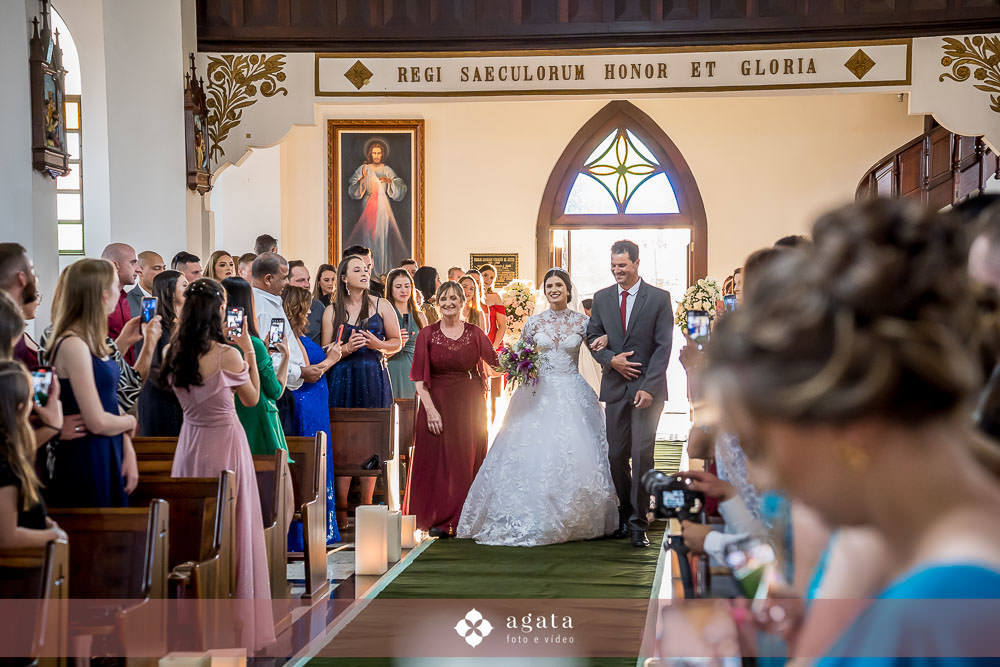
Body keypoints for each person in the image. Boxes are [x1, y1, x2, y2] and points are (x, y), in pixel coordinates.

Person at [707, 200, 1000, 664]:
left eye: (761, 446)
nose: (761, 479)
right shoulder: (916, 533)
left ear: (849, 426)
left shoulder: (950, 603)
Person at [458, 269, 617, 545]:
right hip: (537, 392)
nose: (554, 289)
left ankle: (574, 514)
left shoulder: (582, 322)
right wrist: (508, 362)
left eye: (558, 285)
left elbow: (597, 351)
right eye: (549, 286)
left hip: (572, 390)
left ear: (568, 289)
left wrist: (609, 346)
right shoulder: (534, 322)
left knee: (573, 451)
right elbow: (520, 351)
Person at [162, 278, 274, 651]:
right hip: (226, 445)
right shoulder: (228, 355)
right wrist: (250, 354)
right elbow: (253, 399)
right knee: (233, 529)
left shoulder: (171, 353)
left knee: (194, 530)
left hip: (190, 444)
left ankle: (191, 618)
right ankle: (234, 618)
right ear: (217, 312)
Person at [586, 239, 673, 548]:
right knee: (615, 454)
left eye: (622, 265)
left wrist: (649, 387)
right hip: (615, 387)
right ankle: (624, 513)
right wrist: (611, 359)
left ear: (636, 264)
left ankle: (638, 524)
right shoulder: (602, 298)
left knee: (642, 454)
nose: (617, 271)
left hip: (648, 390)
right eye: (613, 265)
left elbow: (664, 346)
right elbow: (592, 336)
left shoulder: (660, 298)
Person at [405, 281, 500, 536]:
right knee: (437, 462)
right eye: (444, 299)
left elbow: (497, 364)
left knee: (464, 460)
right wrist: (431, 411)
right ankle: (437, 518)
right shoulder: (427, 334)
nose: (448, 303)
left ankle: (463, 518)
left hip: (469, 405)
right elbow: (417, 379)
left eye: (454, 299)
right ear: (438, 303)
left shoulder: (475, 333)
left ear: (463, 302)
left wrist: (526, 359)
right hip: (435, 402)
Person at [46, 259, 139, 507]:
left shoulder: (93, 339)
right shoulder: (72, 344)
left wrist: (127, 447)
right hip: (87, 451)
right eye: (114, 286)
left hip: (109, 444)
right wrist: (130, 422)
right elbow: (96, 420)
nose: (119, 292)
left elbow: (109, 399)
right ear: (101, 294)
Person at [320, 255, 401, 525]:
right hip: (343, 378)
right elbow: (325, 351)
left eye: (366, 270)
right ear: (344, 278)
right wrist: (345, 349)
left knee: (370, 441)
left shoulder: (382, 305)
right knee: (344, 441)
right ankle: (342, 508)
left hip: (373, 376)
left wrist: (378, 344)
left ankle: (366, 506)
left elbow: (396, 343)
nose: (365, 273)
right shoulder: (332, 311)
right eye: (357, 270)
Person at [283, 285, 342, 545]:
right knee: (310, 464)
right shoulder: (291, 338)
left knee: (320, 461)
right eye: (305, 310)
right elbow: (311, 371)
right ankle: (305, 534)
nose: (308, 315)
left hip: (316, 403)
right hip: (306, 403)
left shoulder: (297, 335)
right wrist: (333, 358)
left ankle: (321, 529)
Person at [0, 361, 67, 549]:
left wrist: (45, 522)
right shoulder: (5, 466)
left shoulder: (11, 451)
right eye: (31, 399)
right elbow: (7, 536)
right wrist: (54, 535)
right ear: (20, 407)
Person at [222, 277, 291, 459]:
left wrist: (264, 354)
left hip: (229, 423)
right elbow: (275, 390)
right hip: (258, 425)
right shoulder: (253, 345)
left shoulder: (214, 344)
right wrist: (286, 357)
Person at [251, 253, 307, 433]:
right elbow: (272, 356)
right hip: (275, 392)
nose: (286, 284)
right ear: (268, 279)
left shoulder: (269, 302)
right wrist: (300, 371)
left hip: (282, 388)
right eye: (283, 278)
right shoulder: (264, 308)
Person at [345, 141, 408, 277]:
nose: (376, 155)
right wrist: (363, 180)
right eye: (374, 153)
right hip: (368, 204)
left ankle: (381, 270)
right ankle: (368, 270)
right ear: (370, 154)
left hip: (383, 206)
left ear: (382, 154)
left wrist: (390, 182)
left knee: (382, 236)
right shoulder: (364, 168)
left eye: (379, 153)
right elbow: (352, 187)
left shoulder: (387, 169)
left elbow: (399, 185)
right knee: (369, 235)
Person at [137, 270, 187, 436]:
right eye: (184, 285)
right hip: (160, 399)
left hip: (181, 398)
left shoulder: (185, 324)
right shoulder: (155, 325)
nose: (189, 290)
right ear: (170, 291)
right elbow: (153, 368)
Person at [385, 268, 426, 399]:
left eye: (407, 286)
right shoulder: (383, 314)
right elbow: (377, 352)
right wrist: (397, 345)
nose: (404, 290)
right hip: (392, 369)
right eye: (398, 286)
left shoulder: (420, 316)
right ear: (390, 289)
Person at [101, 243, 140, 349]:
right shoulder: (98, 302)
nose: (138, 269)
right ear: (115, 265)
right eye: (133, 263)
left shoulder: (124, 299)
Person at [127, 251, 166, 318]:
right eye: (157, 268)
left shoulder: (169, 298)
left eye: (164, 268)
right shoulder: (126, 301)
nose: (163, 273)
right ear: (139, 271)